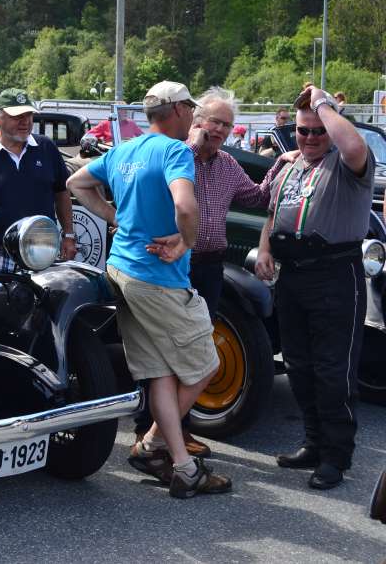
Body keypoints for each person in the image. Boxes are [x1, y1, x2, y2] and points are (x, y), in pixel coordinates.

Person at [67, 80, 231, 499]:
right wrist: (186, 242)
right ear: (176, 110)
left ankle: (178, 464)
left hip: (121, 270)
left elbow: (77, 183)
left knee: (160, 372)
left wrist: (113, 216)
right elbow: (186, 205)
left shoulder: (124, 150)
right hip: (158, 279)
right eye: (190, 108)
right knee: (206, 365)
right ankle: (154, 445)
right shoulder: (176, 151)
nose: (193, 115)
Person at [130, 86, 296, 455]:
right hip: (172, 264)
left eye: (227, 125)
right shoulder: (176, 155)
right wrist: (192, 145)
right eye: (214, 122)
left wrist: (281, 166)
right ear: (197, 120)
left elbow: (256, 197)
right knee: (163, 352)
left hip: (209, 265)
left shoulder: (227, 165)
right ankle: (146, 429)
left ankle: (179, 429)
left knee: (195, 351)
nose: (220, 130)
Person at [255, 86, 374, 490]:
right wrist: (265, 248)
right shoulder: (290, 165)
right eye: (302, 130)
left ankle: (335, 457)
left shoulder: (347, 164)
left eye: (318, 130)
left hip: (335, 275)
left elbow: (352, 144)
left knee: (332, 371)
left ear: (330, 128)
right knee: (299, 366)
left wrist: (324, 104)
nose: (309, 137)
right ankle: (313, 442)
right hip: (293, 277)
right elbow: (273, 212)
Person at [0, 88, 77, 269]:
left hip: (45, 251)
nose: (25, 122)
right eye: (17, 116)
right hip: (0, 256)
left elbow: (62, 192)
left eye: (29, 115)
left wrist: (68, 235)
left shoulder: (46, 147)